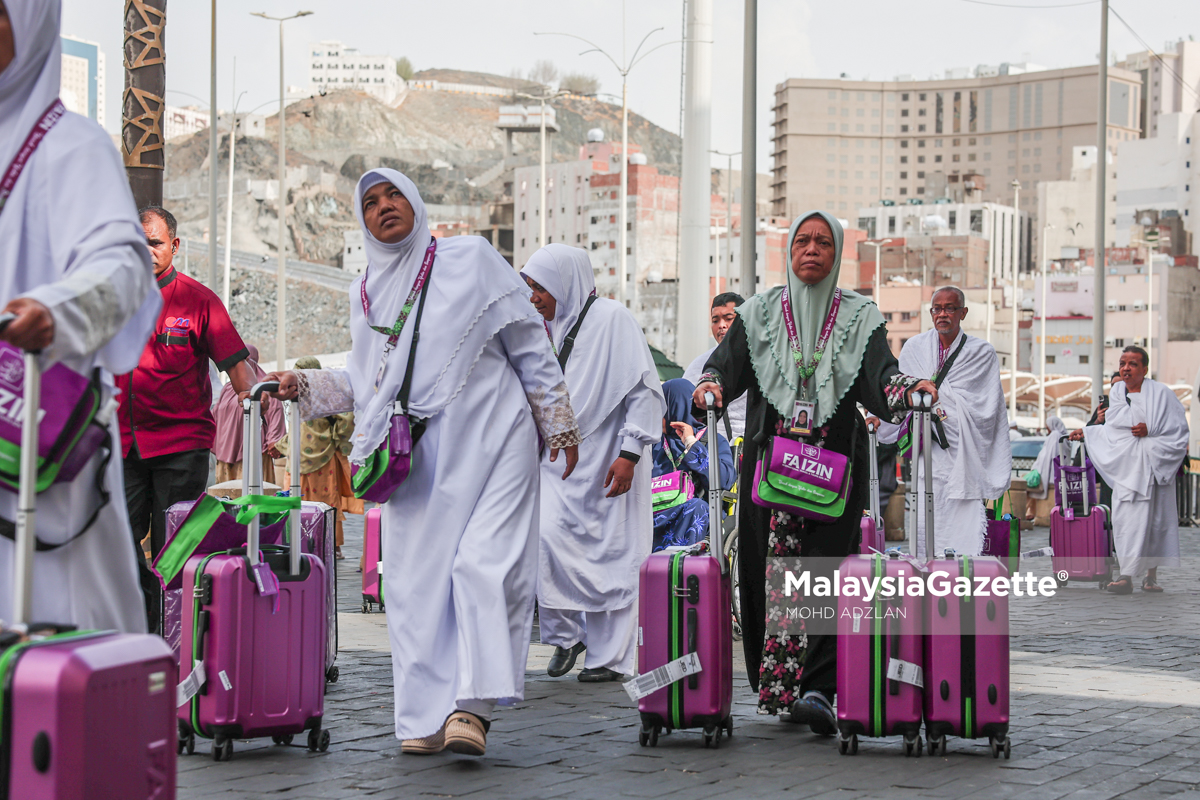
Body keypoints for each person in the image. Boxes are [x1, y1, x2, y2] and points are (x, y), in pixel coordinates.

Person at [264, 169, 580, 757]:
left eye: (393, 196)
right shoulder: (366, 294)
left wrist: (557, 420)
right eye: (370, 202)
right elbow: (364, 384)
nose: (383, 207)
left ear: (415, 203)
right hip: (418, 454)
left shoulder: (473, 259)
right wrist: (300, 383)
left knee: (485, 567)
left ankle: (473, 707)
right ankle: (428, 714)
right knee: (413, 585)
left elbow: (529, 343)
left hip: (496, 434)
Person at [693, 211, 936, 735]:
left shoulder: (860, 317)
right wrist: (708, 386)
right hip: (768, 471)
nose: (811, 249)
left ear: (836, 252)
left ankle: (819, 690)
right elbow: (722, 368)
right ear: (788, 250)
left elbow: (882, 380)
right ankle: (777, 685)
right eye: (802, 240)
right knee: (765, 574)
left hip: (835, 473)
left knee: (827, 574)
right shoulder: (757, 314)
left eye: (823, 242)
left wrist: (908, 389)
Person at [0, 0, 162, 631]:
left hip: (42, 439)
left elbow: (121, 266)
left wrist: (54, 311)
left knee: (56, 641)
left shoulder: (72, 147)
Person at [520, 244, 663, 683]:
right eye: (530, 287)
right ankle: (567, 634)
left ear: (566, 283)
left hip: (609, 462)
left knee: (611, 556)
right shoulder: (543, 330)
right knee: (542, 542)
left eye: (541, 287)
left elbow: (641, 389)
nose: (535, 297)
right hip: (557, 463)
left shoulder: (612, 320)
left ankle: (610, 657)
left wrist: (630, 454)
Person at [117, 205, 256, 632]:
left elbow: (239, 370)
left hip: (182, 449)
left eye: (155, 242)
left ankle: (174, 638)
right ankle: (142, 625)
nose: (146, 250)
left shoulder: (200, 302)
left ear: (173, 246)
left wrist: (257, 406)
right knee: (115, 545)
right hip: (123, 446)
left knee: (174, 550)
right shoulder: (111, 299)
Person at [898, 286, 1011, 558]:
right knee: (927, 508)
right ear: (931, 312)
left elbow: (986, 406)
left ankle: (962, 571)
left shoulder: (981, 352)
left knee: (962, 510)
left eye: (950, 308)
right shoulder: (914, 347)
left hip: (962, 450)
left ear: (963, 313)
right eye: (937, 308)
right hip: (928, 449)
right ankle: (925, 567)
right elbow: (900, 391)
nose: (943, 314)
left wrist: (940, 400)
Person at [1070, 346, 1188, 594]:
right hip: (1127, 470)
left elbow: (1178, 430)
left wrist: (1151, 430)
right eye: (1123, 363)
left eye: (1133, 364)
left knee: (1156, 524)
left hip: (1155, 470)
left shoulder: (1162, 395)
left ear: (1144, 369)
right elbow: (1114, 431)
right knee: (1126, 523)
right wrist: (1088, 432)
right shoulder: (1116, 392)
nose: (1126, 368)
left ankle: (1150, 577)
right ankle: (1125, 576)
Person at [273, 355, 359, 560]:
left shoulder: (322, 395)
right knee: (318, 501)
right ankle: (311, 543)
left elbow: (345, 418)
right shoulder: (305, 398)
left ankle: (328, 544)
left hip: (312, 460)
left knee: (320, 502)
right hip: (316, 458)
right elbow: (299, 431)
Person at [651, 378, 736, 551]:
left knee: (697, 508)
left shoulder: (712, 439)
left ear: (673, 406)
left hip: (692, 509)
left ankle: (679, 566)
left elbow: (725, 480)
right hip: (656, 508)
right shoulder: (654, 441)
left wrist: (691, 444)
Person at [211, 344, 284, 486]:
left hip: (254, 454)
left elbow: (275, 411)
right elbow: (215, 415)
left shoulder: (264, 387)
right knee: (228, 496)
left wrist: (273, 441)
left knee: (253, 494)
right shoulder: (227, 389)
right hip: (226, 455)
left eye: (245, 360)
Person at [683, 293, 747, 439]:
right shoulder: (699, 365)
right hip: (715, 452)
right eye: (715, 320)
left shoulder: (761, 360)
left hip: (755, 452)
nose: (721, 325)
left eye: (729, 318)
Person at [1024, 415, 1067, 521]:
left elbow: (1049, 456)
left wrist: (1040, 470)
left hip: (1049, 471)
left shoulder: (1055, 435)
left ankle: (1029, 512)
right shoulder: (1061, 436)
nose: (1047, 428)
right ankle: (1030, 512)